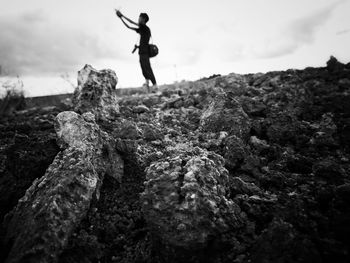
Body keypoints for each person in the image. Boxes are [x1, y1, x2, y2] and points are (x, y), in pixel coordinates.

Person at [116, 10, 157, 93]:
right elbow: (128, 26)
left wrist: (122, 15)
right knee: (143, 69)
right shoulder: (141, 29)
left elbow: (131, 22)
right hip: (141, 52)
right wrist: (121, 19)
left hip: (145, 52)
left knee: (147, 68)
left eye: (140, 18)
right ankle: (147, 84)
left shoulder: (145, 28)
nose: (138, 19)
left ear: (144, 19)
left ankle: (155, 85)